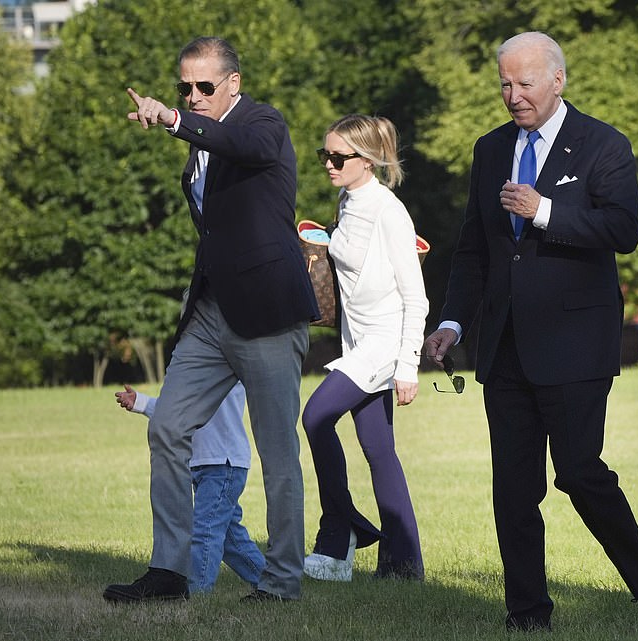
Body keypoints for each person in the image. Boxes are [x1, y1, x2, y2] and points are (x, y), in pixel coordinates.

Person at [423, 32, 638, 632]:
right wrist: (453, 320)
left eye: (525, 83)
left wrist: (542, 210)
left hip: (575, 344)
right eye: (505, 85)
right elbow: (472, 247)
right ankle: (528, 613)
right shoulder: (489, 150)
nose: (514, 96)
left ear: (557, 80)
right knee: (513, 489)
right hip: (505, 347)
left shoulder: (603, 145)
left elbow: (623, 229)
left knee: (580, 473)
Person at [105, 36, 318, 603]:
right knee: (167, 427)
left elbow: (239, 145)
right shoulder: (200, 142)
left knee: (277, 454)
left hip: (267, 312)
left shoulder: (263, 124)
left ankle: (281, 583)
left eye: (204, 86)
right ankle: (170, 574)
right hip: (210, 314)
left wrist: (175, 118)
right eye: (185, 88)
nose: (194, 96)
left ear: (233, 84)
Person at [300, 114, 429, 582]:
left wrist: (408, 365)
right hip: (355, 341)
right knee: (378, 449)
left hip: (381, 345)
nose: (329, 164)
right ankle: (404, 564)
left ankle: (341, 528)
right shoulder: (347, 200)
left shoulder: (388, 211)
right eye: (324, 155)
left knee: (314, 417)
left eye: (338, 157)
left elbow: (416, 296)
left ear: (368, 159)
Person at [114, 382, 265, 594]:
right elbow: (176, 411)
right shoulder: (194, 366)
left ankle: (196, 593)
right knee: (230, 537)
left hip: (224, 462)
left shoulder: (229, 363)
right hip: (202, 462)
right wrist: (141, 402)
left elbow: (195, 405)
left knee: (205, 531)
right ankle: (269, 582)